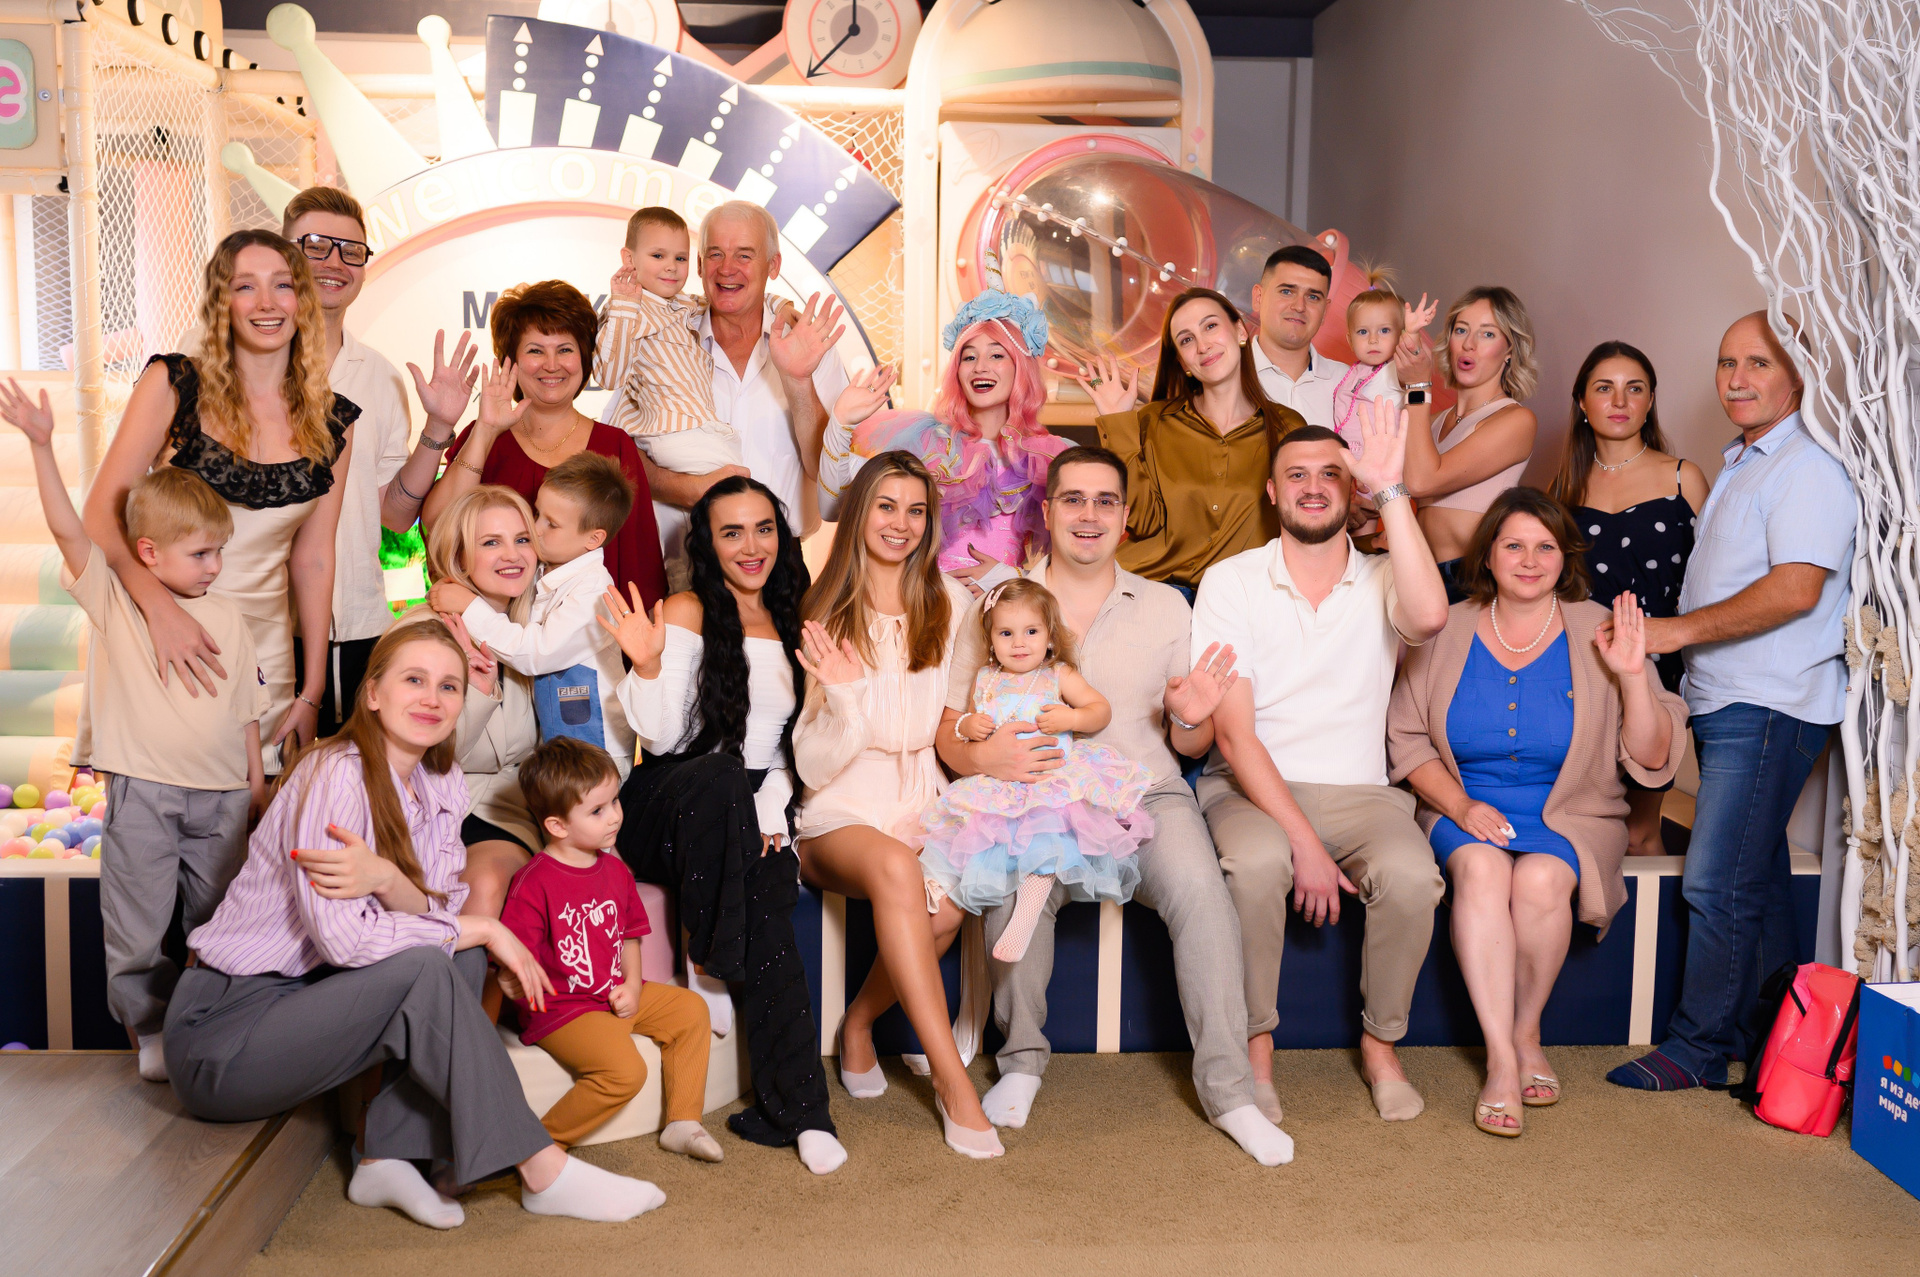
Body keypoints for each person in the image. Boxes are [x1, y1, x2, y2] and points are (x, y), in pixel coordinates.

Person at [165, 622, 666, 1228]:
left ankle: (385, 1155)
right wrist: (485, 929)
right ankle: (541, 1169)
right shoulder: (333, 774)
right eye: (414, 680)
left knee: (459, 953)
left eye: (449, 686)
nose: (433, 698)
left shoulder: (439, 781)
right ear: (373, 693)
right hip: (224, 1035)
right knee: (452, 949)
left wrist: (389, 882)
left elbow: (435, 914)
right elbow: (344, 941)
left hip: (306, 1006)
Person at [935, 445, 1291, 1165]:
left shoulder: (1165, 605)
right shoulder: (998, 603)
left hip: (1143, 792)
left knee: (1203, 894)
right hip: (1033, 795)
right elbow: (951, 722)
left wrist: (1191, 716)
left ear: (1125, 517)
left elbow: (1188, 744)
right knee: (1013, 894)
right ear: (1047, 511)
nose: (1089, 514)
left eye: (1105, 501)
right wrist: (985, 758)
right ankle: (1021, 1062)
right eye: (1074, 498)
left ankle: (1230, 1094)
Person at [1387, 488, 1688, 1135]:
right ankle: (1501, 1059)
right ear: (1488, 556)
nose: (1530, 560)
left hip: (1573, 812)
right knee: (1484, 870)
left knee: (1542, 879)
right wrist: (1460, 804)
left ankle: (1527, 1032)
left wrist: (1633, 675)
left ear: (1566, 556)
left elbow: (1651, 757)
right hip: (1460, 804)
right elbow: (1406, 740)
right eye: (1514, 545)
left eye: (1545, 546)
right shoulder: (1446, 627)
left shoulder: (1599, 625)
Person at [1608, 312, 1856, 1092]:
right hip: (1727, 701)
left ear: (1798, 374)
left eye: (1758, 363)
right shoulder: (1747, 460)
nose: (1737, 378)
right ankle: (1779, 1047)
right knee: (1761, 881)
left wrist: (1672, 632)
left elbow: (1796, 589)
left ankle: (1699, 1047)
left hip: (1768, 703)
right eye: (1726, 363)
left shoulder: (1806, 467)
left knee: (1715, 881)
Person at [1192, 408, 1451, 1126]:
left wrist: (1391, 490)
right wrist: (1303, 841)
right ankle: (1255, 1049)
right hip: (1249, 787)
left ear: (1352, 489)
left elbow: (1430, 617)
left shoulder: (1385, 575)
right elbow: (1235, 736)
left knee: (1411, 877)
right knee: (1257, 865)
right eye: (1296, 475)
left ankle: (1381, 1046)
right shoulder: (1232, 581)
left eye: (1331, 475)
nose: (1313, 487)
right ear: (1272, 491)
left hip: (1363, 794)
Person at [2, 383, 267, 1082]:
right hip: (146, 793)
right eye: (201, 554)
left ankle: (215, 1021)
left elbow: (245, 706)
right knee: (137, 922)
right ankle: (148, 1029)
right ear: (148, 552)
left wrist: (255, 781)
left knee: (224, 918)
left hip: (222, 797)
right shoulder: (116, 601)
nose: (215, 567)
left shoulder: (229, 615)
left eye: (219, 552)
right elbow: (70, 532)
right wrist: (40, 445)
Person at [603, 474, 845, 1174]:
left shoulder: (800, 619)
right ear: (707, 544)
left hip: (754, 804)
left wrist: (772, 804)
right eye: (731, 531)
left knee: (769, 891)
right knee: (718, 775)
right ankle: (713, 957)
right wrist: (648, 664)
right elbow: (661, 737)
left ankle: (803, 1113)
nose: (751, 545)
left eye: (764, 528)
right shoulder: (686, 608)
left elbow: (802, 744)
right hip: (668, 798)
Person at [789, 451, 1001, 1158]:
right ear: (858, 514)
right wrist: (847, 697)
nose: (901, 523)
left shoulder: (953, 605)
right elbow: (812, 762)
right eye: (886, 506)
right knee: (894, 868)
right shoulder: (823, 611)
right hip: (840, 808)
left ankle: (858, 1025)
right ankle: (953, 1083)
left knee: (949, 906)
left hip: (923, 798)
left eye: (916, 510)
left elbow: (964, 710)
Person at [82, 231, 353, 772]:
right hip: (162, 632)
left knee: (262, 816)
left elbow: (315, 559)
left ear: (302, 300)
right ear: (220, 303)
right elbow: (99, 519)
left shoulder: (332, 421)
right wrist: (160, 610)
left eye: (282, 286)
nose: (266, 303)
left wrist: (312, 690)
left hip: (267, 654)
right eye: (245, 286)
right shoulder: (173, 384)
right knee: (161, 802)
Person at [279, 185, 477, 725]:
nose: (334, 262)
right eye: (316, 245)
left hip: (357, 625)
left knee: (347, 776)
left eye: (351, 250)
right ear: (282, 252)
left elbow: (392, 515)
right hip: (262, 625)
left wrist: (439, 428)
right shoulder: (237, 362)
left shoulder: (381, 378)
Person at [499, 736, 722, 1161]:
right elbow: (515, 954)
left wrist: (634, 985)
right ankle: (539, 1145)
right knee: (625, 1072)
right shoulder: (535, 882)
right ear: (557, 826)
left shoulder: (616, 872)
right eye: (597, 810)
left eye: (615, 801)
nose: (615, 816)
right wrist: (510, 979)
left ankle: (683, 1121)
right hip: (564, 1009)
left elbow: (629, 936)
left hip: (612, 992)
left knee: (692, 1011)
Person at [922, 577, 1154, 964]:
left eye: (1031, 632)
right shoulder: (986, 679)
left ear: (1049, 637)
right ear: (991, 639)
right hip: (1001, 784)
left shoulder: (1057, 674)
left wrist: (1072, 717)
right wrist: (968, 725)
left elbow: (1100, 710)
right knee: (982, 841)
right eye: (1006, 633)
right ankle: (984, 897)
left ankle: (1028, 912)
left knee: (1046, 834)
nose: (1019, 643)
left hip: (1051, 781)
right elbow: (965, 723)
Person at [1547, 342, 1708, 855]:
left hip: (1658, 670)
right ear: (1582, 402)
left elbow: (1714, 582)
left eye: (1633, 388)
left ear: (1650, 400)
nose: (1619, 401)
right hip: (1580, 670)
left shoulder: (1683, 477)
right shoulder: (1562, 488)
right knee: (1581, 818)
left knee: (1639, 829)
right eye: (1604, 388)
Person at [421, 280, 665, 612]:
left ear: (584, 359)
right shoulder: (484, 437)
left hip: (590, 634)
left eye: (565, 350)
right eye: (535, 351)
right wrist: (486, 431)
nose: (552, 364)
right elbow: (439, 526)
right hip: (489, 629)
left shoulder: (615, 446)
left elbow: (640, 566)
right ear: (511, 362)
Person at [822, 289, 1073, 595]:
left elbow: (1086, 556)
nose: (980, 367)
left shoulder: (1048, 458)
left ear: (1021, 365)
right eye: (969, 357)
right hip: (922, 608)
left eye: (996, 355)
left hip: (1003, 616)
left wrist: (1014, 578)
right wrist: (840, 422)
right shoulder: (924, 442)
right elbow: (832, 506)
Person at [641, 199, 849, 562]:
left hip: (780, 565)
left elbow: (831, 478)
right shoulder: (659, 339)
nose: (727, 269)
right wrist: (689, 489)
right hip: (679, 565)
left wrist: (798, 382)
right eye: (715, 254)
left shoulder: (812, 346)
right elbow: (622, 453)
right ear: (699, 264)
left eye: (744, 255)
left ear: (773, 265)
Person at [1082, 287, 1303, 593]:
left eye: (1210, 326)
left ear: (1240, 331)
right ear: (1183, 362)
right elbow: (1142, 520)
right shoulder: (1153, 421)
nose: (1202, 346)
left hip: (1239, 599)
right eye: (1186, 340)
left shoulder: (1287, 428)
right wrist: (1118, 421)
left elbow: (1302, 523)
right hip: (1150, 590)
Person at [432, 451, 637, 774]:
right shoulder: (548, 571)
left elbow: (535, 652)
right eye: (537, 513)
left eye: (551, 524)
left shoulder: (594, 592)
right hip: (559, 747)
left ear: (593, 538)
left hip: (595, 747)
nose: (535, 528)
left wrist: (470, 606)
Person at [412, 486, 541, 920]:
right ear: (460, 556)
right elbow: (425, 756)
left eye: (522, 539)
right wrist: (479, 692)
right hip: (426, 808)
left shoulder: (535, 634)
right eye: (491, 542)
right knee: (471, 885)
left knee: (486, 882)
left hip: (511, 810)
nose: (513, 555)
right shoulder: (421, 634)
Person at [1394, 286, 1542, 599]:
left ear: (1510, 349)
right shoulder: (1432, 421)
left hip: (1472, 580)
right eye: (1461, 330)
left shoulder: (1516, 420)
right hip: (1419, 576)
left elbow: (1421, 481)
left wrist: (1417, 386)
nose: (1469, 344)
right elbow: (1399, 490)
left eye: (1487, 334)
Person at [596, 205, 745, 479]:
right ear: (629, 258)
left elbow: (729, 302)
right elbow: (609, 376)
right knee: (739, 487)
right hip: (670, 431)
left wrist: (778, 305)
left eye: (680, 258)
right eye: (658, 255)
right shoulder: (628, 308)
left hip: (702, 427)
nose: (671, 266)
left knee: (737, 481)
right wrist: (624, 307)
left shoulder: (684, 303)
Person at [1247, 244, 1346, 428]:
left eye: (1313, 297)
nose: (1299, 306)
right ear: (1258, 297)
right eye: (1287, 291)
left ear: (1325, 311)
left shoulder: (1347, 383)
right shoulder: (1225, 377)